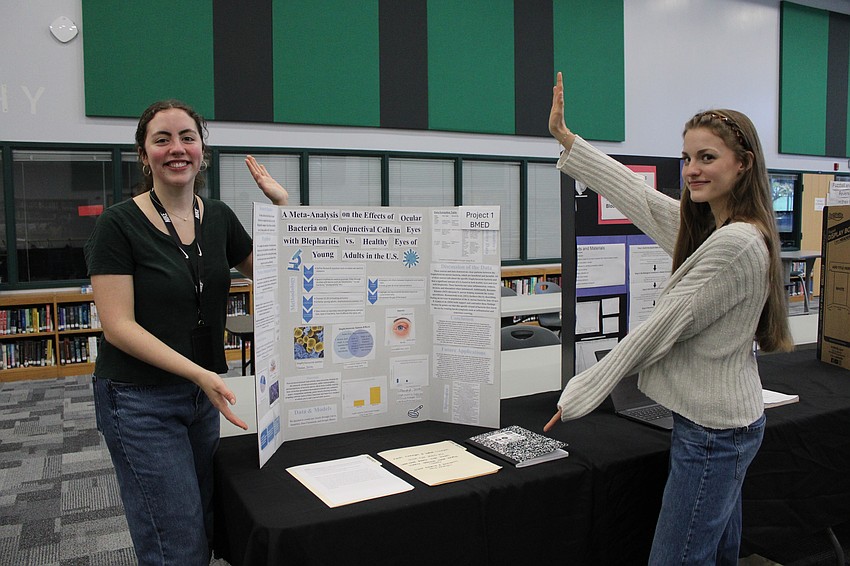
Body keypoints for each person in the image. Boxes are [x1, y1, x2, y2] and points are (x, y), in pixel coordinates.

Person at [543, 72, 793, 565]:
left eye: (707, 157)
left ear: (743, 165)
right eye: (687, 158)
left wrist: (581, 392)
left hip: (713, 433)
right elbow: (640, 200)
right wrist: (570, 142)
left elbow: (660, 328)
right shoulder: (719, 229)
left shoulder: (735, 243)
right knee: (717, 556)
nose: (692, 170)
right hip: (721, 423)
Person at [84, 99, 288, 566]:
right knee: (175, 542)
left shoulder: (217, 216)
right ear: (143, 153)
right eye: (162, 139)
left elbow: (277, 274)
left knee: (204, 523)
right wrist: (198, 373)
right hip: (139, 399)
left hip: (202, 396)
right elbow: (118, 327)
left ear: (202, 151)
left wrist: (281, 207)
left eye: (187, 138)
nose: (176, 149)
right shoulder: (117, 225)